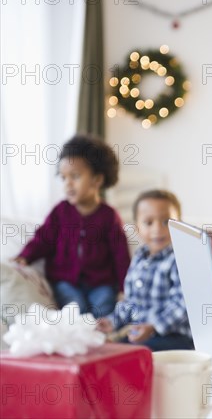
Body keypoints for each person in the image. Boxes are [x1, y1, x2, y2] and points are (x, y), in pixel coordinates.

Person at [13, 135, 130, 318]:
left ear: (97, 180)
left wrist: (125, 289)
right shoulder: (60, 212)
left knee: (104, 304)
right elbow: (43, 238)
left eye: (75, 176)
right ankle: (78, 336)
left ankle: (103, 338)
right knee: (75, 307)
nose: (68, 183)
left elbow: (121, 256)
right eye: (63, 177)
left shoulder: (109, 216)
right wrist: (25, 256)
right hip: (65, 281)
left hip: (101, 283)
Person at [97, 189, 194, 351]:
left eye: (166, 222)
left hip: (175, 336)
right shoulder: (139, 258)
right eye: (149, 222)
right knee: (110, 349)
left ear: (180, 225)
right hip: (142, 335)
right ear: (137, 228)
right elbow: (130, 302)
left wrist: (153, 326)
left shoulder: (180, 259)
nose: (157, 229)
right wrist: (112, 321)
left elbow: (183, 305)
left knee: (133, 352)